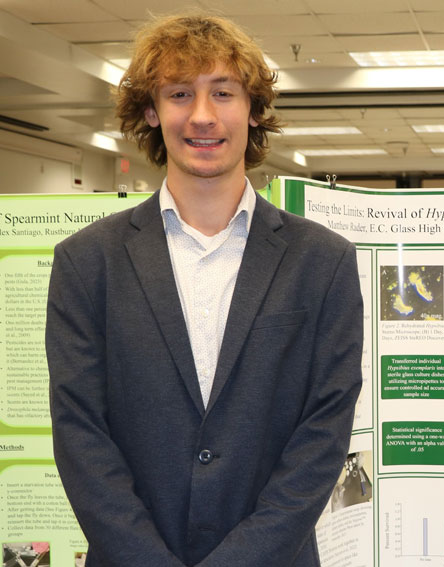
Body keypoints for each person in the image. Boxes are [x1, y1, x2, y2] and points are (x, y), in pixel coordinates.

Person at [45, 14, 363, 567]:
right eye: (178, 93)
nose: (202, 115)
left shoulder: (323, 262)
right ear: (151, 111)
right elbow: (81, 436)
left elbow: (322, 436)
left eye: (223, 92)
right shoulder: (86, 262)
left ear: (253, 109)